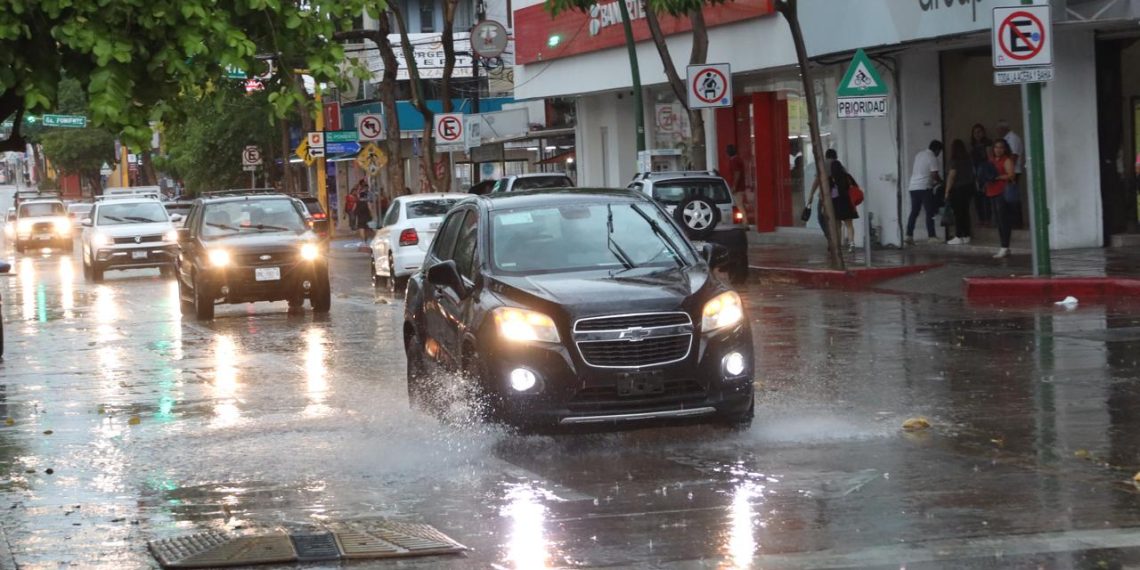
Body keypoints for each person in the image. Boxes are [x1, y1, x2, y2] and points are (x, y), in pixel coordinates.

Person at [906, 140, 943, 244]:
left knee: (914, 212)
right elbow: (934, 175)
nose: (939, 154)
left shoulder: (919, 154)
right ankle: (932, 236)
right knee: (930, 212)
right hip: (924, 188)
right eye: (939, 151)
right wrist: (941, 182)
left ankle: (908, 235)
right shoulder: (932, 157)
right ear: (937, 150)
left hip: (913, 187)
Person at [985, 138, 1017, 259]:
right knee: (998, 220)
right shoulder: (991, 160)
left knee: (1003, 220)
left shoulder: (1006, 160)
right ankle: (1004, 246)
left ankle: (1005, 246)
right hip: (992, 191)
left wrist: (997, 177)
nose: (998, 150)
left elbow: (1011, 175)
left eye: (1001, 147)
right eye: (996, 147)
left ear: (1005, 149)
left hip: (1002, 192)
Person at [944, 139, 975, 245]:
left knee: (958, 213)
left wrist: (947, 191)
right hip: (969, 187)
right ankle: (966, 235)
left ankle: (958, 235)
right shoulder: (968, 159)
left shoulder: (954, 160)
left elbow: (952, 176)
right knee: (965, 212)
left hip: (958, 188)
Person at [996, 119, 1024, 227]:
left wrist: (1006, 170)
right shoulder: (1005, 139)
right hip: (1007, 172)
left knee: (1012, 198)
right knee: (1007, 198)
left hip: (1012, 172)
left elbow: (1013, 156)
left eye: (998, 129)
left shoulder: (1013, 138)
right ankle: (1011, 222)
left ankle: (1016, 222)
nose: (997, 131)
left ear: (1003, 128)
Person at [807, 149, 839, 240]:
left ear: (826, 156)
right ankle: (837, 239)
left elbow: (817, 181)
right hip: (837, 196)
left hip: (824, 196)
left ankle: (829, 237)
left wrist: (811, 194)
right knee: (836, 218)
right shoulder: (839, 165)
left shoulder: (823, 165)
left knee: (821, 217)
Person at [830, 158, 859, 251]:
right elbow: (855, 186)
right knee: (849, 225)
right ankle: (851, 244)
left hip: (836, 204)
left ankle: (838, 245)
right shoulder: (847, 176)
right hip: (847, 203)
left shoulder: (831, 179)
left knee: (838, 226)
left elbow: (827, 193)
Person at [969, 123, 992, 225]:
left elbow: (990, 160)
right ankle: (981, 219)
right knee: (977, 197)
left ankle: (987, 219)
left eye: (979, 132)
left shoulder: (987, 144)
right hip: (975, 173)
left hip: (984, 172)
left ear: (983, 133)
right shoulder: (973, 146)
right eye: (975, 133)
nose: (977, 134)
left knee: (986, 197)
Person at [726, 145, 746, 219]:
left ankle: (744, 222)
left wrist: (734, 186)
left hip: (738, 188)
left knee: (739, 205)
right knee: (740, 204)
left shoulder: (734, 160)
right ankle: (744, 220)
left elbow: (737, 173)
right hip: (740, 186)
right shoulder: (738, 159)